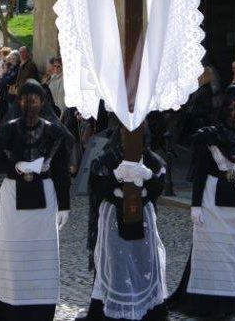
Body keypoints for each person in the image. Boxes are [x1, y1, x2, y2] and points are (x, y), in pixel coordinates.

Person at [0, 79, 72, 321]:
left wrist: (65, 204)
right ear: (19, 101)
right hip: (13, 196)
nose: (30, 103)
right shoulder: (8, 129)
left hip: (45, 195)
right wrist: (15, 164)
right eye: (25, 99)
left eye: (36, 99)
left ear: (43, 101)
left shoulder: (54, 131)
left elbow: (62, 169)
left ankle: (38, 307)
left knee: (41, 250)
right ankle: (6, 304)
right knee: (9, 249)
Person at [168, 85, 235, 319]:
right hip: (212, 202)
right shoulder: (210, 136)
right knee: (213, 252)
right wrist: (195, 205)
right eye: (231, 108)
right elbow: (200, 172)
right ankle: (210, 299)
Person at [80, 124, 167, 321]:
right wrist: (116, 177)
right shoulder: (108, 157)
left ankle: (144, 309)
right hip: (113, 221)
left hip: (143, 221)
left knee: (143, 262)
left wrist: (148, 177)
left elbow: (158, 187)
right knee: (115, 263)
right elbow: (96, 186)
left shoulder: (152, 159)